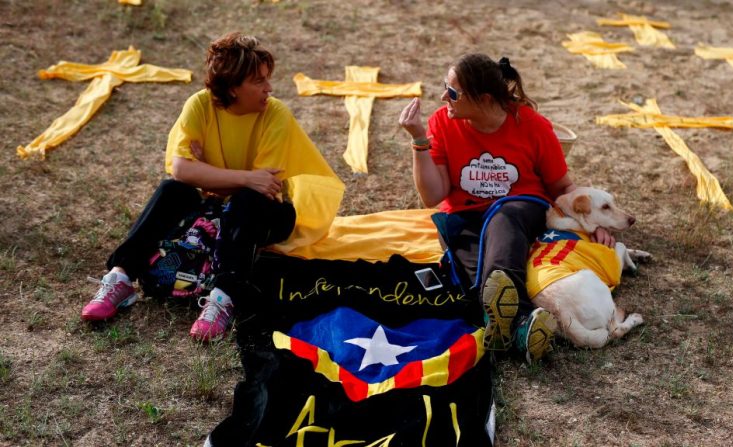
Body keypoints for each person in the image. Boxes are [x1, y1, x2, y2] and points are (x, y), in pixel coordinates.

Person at [81, 32, 336, 342]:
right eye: (258, 81)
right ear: (232, 88)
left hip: (267, 213)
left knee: (244, 201)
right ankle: (120, 277)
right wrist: (239, 176)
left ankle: (223, 297)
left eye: (268, 79)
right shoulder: (199, 105)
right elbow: (181, 171)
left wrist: (206, 173)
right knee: (171, 191)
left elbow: (263, 187)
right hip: (220, 201)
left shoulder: (276, 114)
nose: (269, 88)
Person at [398, 54, 614, 361]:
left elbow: (563, 187)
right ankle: (519, 331)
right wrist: (420, 140)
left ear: (484, 98)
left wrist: (595, 222)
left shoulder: (533, 126)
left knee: (503, 219)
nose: (443, 96)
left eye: (453, 92)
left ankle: (512, 318)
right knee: (472, 279)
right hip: (465, 216)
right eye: (445, 86)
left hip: (521, 210)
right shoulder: (441, 123)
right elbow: (433, 196)